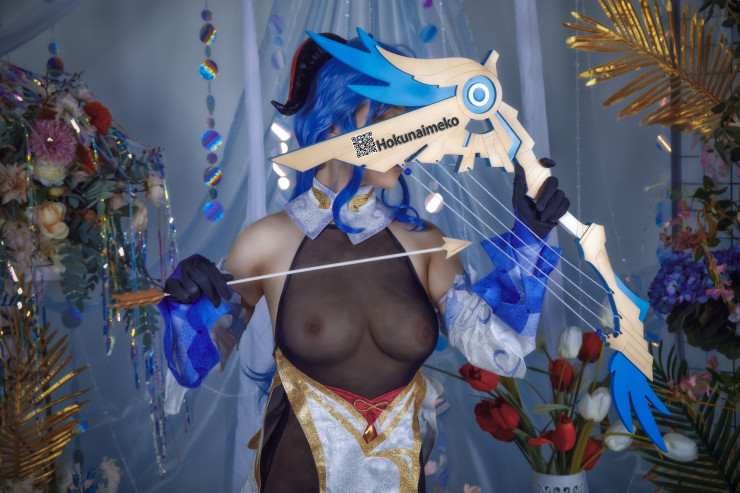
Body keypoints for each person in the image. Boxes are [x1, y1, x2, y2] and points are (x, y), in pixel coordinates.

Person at [161, 33, 569, 493]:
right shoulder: (268, 242)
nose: (410, 141)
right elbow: (192, 365)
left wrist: (528, 237)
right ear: (334, 124)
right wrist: (188, 302)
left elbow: (502, 347)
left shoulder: (424, 242)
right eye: (393, 122)